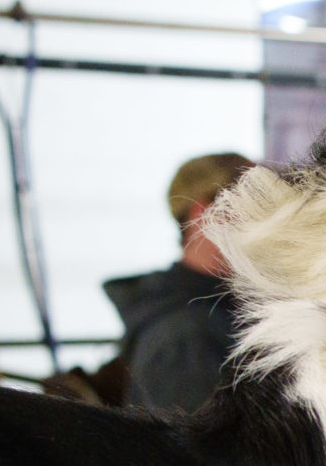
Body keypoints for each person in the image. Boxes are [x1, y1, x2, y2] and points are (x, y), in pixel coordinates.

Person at [102, 152, 254, 415]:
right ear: (204, 212)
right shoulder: (184, 337)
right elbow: (198, 452)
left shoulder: (212, 311)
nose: (266, 224)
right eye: (252, 206)